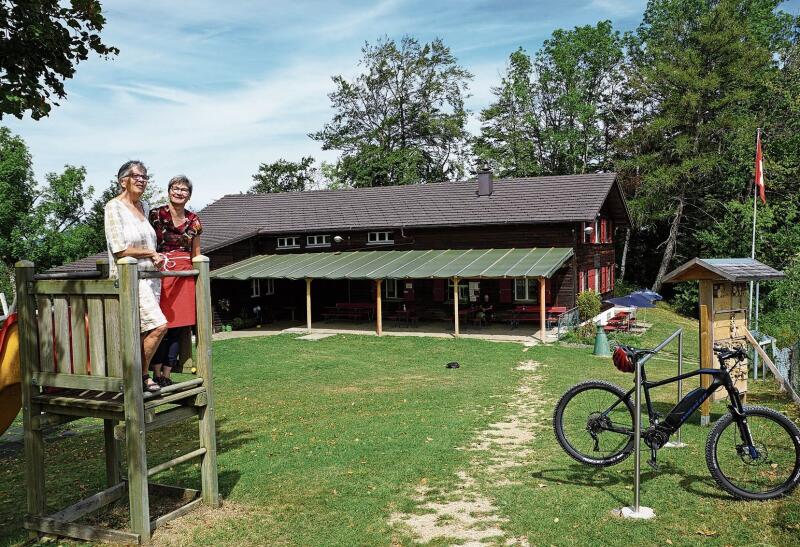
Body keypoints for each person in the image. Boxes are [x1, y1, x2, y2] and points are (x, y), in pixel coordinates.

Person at [104, 161, 166, 393]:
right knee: (159, 326)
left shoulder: (145, 206)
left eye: (145, 176)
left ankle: (138, 376)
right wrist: (150, 252)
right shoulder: (113, 207)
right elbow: (120, 249)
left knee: (143, 329)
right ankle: (139, 376)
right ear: (123, 181)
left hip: (150, 279)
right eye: (136, 176)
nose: (142, 180)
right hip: (130, 279)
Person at [148, 175, 202, 387]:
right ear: (169, 191)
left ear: (189, 195)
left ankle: (167, 375)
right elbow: (149, 242)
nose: (179, 192)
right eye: (175, 188)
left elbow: (196, 253)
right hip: (161, 271)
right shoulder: (155, 214)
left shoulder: (194, 220)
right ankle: (155, 372)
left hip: (185, 274)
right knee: (161, 324)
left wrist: (199, 275)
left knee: (179, 327)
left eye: (184, 190)